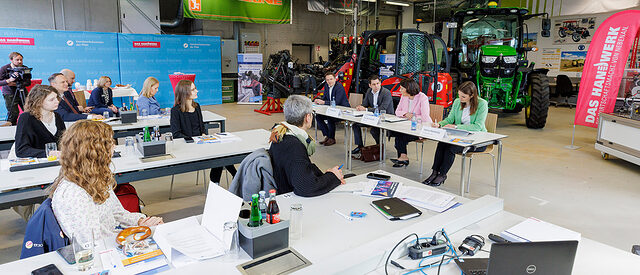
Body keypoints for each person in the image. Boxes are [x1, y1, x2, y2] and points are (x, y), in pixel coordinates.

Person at [49, 120, 163, 241]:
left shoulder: (95, 177)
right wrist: (140, 231)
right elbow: (94, 242)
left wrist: (141, 221)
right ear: (94, 151)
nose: (114, 146)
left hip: (115, 239)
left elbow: (117, 212)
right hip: (104, 250)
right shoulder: (73, 194)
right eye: (109, 143)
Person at [269, 95, 345, 197]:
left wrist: (326, 175)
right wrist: (333, 176)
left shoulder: (280, 134)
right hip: (292, 198)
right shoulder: (294, 146)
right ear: (308, 117)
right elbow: (307, 188)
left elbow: (301, 167)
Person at [170, 80, 236, 183]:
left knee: (222, 153)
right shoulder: (175, 111)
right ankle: (231, 178)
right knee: (218, 157)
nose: (196, 91)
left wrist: (204, 136)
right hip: (189, 147)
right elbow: (176, 134)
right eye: (193, 89)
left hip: (201, 143)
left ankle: (227, 179)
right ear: (184, 92)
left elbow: (202, 127)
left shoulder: (197, 106)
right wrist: (195, 140)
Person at [423, 81, 488, 186]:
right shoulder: (457, 102)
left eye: (463, 96)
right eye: (459, 95)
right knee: (442, 143)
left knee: (451, 148)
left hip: (478, 140)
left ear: (472, 95)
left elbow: (477, 126)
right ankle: (434, 173)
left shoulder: (482, 104)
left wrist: (456, 126)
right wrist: (439, 124)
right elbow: (450, 119)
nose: (460, 98)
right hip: (460, 136)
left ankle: (442, 174)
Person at [389, 78, 433, 168]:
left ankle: (402, 158)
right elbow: (397, 111)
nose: (400, 90)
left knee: (400, 136)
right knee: (396, 133)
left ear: (408, 88)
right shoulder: (403, 97)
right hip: (405, 125)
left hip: (419, 127)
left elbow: (425, 116)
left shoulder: (422, 97)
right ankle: (403, 157)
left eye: (401, 88)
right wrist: (405, 114)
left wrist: (413, 117)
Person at [14, 85, 65, 158]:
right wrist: (49, 153)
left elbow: (64, 143)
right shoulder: (26, 118)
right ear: (39, 101)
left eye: (56, 98)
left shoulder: (57, 116)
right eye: (51, 99)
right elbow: (21, 150)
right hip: (36, 165)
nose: (57, 101)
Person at [351, 75, 394, 154]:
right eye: (374, 84)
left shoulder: (386, 93)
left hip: (385, 118)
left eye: (378, 83)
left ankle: (379, 146)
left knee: (374, 130)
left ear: (380, 83)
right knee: (355, 125)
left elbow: (382, 109)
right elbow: (365, 104)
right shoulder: (369, 91)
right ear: (370, 85)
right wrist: (360, 107)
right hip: (373, 117)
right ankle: (360, 146)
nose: (376, 86)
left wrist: (366, 109)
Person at [314, 72, 350, 146]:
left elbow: (337, 102)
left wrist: (323, 102)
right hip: (332, 109)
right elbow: (325, 98)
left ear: (335, 79)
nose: (329, 81)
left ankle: (332, 138)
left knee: (330, 117)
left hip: (342, 110)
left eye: (331, 79)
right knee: (318, 116)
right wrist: (318, 100)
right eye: (327, 80)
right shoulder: (327, 86)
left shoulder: (339, 87)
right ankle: (328, 136)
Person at [0, 52, 31, 125]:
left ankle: (30, 125)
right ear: (11, 60)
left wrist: (16, 84)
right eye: (17, 60)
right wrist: (8, 81)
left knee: (29, 109)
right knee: (14, 113)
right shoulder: (4, 69)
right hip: (9, 93)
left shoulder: (25, 68)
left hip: (22, 91)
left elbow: (28, 82)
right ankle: (11, 125)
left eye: (21, 60)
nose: (20, 61)